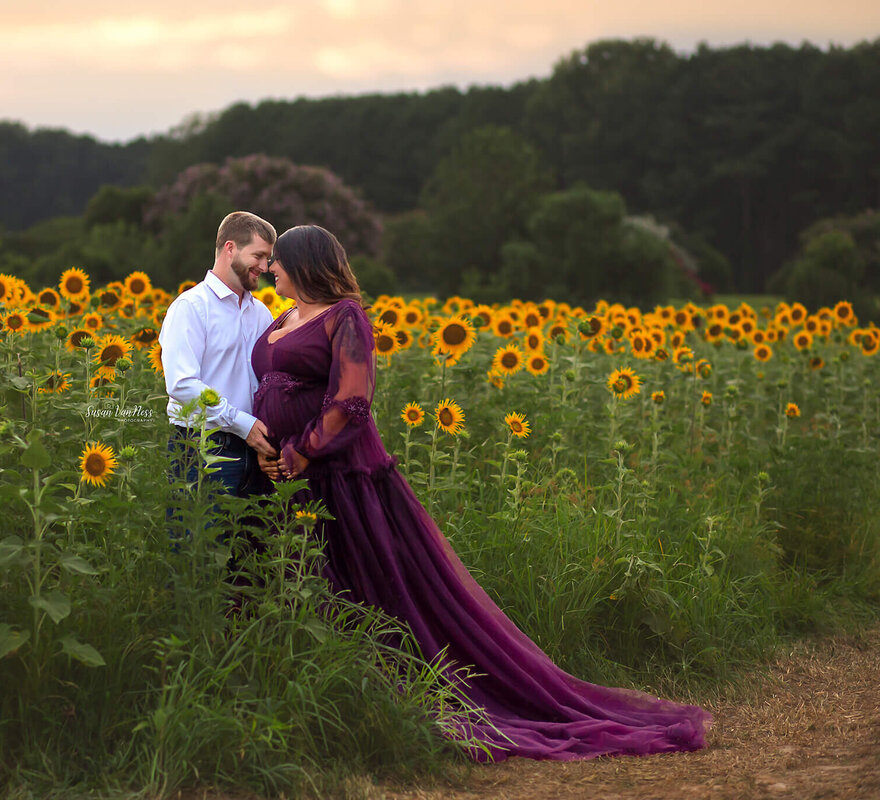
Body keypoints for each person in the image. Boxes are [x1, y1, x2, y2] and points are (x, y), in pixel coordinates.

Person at [251, 224, 710, 762]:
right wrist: (265, 443)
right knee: (309, 589)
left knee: (379, 597)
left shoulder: (345, 316)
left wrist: (301, 450)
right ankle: (317, 692)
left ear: (305, 263)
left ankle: (393, 700)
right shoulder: (281, 318)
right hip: (290, 482)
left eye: (278, 261)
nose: (271, 269)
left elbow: (353, 400)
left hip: (345, 480)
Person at [159, 211, 279, 502]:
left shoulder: (261, 313)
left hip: (256, 452)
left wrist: (263, 438)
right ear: (230, 248)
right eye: (259, 256)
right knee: (198, 543)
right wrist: (241, 423)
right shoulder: (191, 307)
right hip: (203, 448)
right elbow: (182, 384)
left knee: (251, 545)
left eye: (268, 259)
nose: (265, 267)